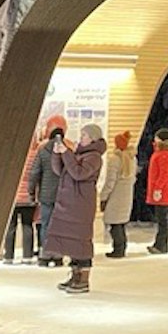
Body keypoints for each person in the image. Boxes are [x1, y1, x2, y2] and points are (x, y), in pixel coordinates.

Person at [44, 122, 107, 293]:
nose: (81, 138)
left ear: (93, 138)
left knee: (81, 241)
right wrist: (57, 154)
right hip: (69, 203)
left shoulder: (94, 157)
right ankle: (74, 274)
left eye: (84, 135)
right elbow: (60, 171)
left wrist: (67, 153)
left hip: (81, 205)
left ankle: (83, 279)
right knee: (72, 241)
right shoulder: (78, 154)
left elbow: (78, 173)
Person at [2, 123, 44, 264]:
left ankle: (8, 256)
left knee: (10, 226)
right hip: (28, 196)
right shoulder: (35, 156)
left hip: (12, 196)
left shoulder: (12, 155)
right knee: (27, 225)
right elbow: (37, 176)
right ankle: (27, 256)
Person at [28, 116, 67, 267]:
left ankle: (45, 254)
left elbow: (34, 173)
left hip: (46, 195)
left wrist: (31, 191)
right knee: (60, 225)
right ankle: (57, 255)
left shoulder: (43, 152)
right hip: (62, 196)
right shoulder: (67, 152)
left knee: (45, 224)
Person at [99, 130, 137, 258]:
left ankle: (118, 249)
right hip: (127, 196)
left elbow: (110, 182)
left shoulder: (115, 159)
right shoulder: (132, 158)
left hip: (115, 196)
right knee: (121, 224)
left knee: (115, 224)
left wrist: (103, 197)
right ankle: (122, 247)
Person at [145, 128, 168, 255]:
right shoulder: (161, 152)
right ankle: (160, 244)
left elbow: (165, 174)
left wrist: (158, 189)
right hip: (161, 191)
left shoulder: (165, 155)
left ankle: (161, 246)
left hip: (163, 191)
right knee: (161, 218)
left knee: (162, 219)